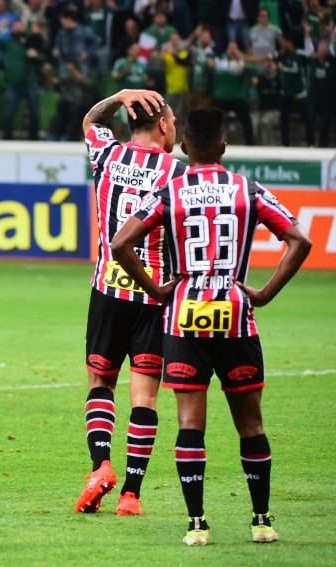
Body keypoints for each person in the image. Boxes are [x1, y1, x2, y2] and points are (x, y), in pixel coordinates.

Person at [111, 106, 311, 545]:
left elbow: (121, 242)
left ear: (185, 147)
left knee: (189, 424)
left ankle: (197, 525)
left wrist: (157, 289)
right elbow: (301, 239)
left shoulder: (171, 192)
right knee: (251, 424)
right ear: (223, 146)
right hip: (237, 315)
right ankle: (262, 520)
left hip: (184, 315)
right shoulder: (249, 190)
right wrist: (264, 293)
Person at [77, 88, 187, 516]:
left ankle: (100, 466)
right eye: (173, 121)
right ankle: (131, 494)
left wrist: (119, 96)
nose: (174, 127)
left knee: (101, 383)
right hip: (154, 294)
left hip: (108, 288)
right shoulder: (177, 172)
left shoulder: (107, 155)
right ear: (162, 125)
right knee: (145, 395)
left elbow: (90, 121)